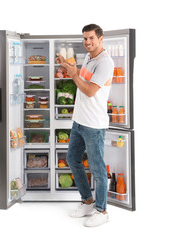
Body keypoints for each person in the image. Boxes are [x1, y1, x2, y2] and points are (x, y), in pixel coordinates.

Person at [56, 24, 114, 227]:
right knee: (72, 159)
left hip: (94, 125)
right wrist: (68, 65)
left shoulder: (105, 63)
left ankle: (102, 210)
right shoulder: (89, 57)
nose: (87, 42)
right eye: (85, 39)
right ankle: (87, 201)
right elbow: (83, 77)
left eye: (91, 38)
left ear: (100, 39)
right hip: (79, 121)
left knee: (97, 169)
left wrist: (72, 74)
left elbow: (89, 91)